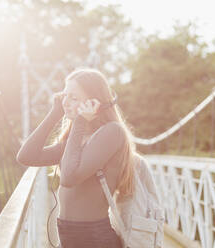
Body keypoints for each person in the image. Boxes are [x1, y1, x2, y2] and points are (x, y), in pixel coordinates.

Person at [16, 68, 138, 248]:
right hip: (68, 239)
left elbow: (68, 177)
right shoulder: (75, 141)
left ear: (95, 103)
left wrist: (80, 121)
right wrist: (55, 113)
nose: (66, 102)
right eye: (65, 95)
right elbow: (26, 156)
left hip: (94, 240)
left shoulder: (112, 132)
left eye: (73, 98)